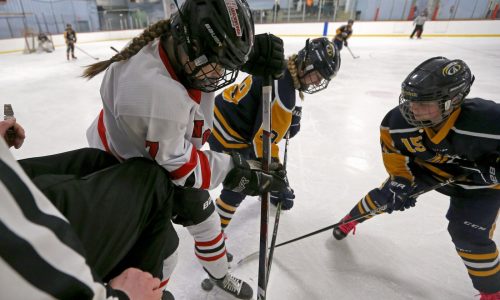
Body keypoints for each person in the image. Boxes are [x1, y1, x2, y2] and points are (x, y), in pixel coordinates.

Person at [82, 0, 288, 298]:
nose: (220, 74)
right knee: (163, 254)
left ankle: (219, 275)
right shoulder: (152, 94)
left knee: (207, 221)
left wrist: (244, 55)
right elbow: (184, 169)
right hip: (127, 169)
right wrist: (239, 170)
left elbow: (182, 149)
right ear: (191, 44)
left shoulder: (180, 48)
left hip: (154, 151)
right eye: (217, 62)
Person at [331, 57, 500, 299]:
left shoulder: (489, 120)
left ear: (452, 101)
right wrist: (400, 182)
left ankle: (492, 293)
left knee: (468, 235)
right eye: (410, 101)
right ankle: (350, 220)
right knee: (384, 196)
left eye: (424, 103)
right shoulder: (397, 123)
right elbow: (395, 156)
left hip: (481, 186)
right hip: (431, 170)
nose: (413, 109)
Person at [0, 117, 179, 300]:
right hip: (13, 230)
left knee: (95, 161)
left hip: (7, 190)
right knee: (150, 182)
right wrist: (122, 297)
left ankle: (133, 272)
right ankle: (143, 290)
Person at [209, 37, 340, 232]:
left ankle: (267, 190)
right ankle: (213, 236)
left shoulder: (284, 69)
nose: (317, 82)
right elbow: (262, 143)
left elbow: (266, 119)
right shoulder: (285, 93)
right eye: (318, 76)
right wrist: (276, 179)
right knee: (242, 181)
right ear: (307, 64)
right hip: (227, 131)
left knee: (257, 170)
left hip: (224, 116)